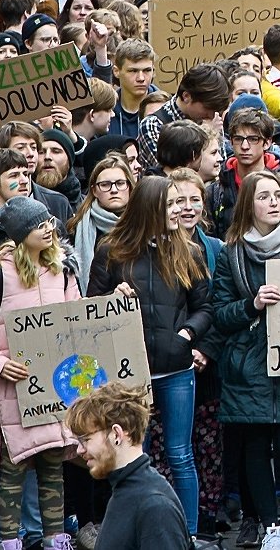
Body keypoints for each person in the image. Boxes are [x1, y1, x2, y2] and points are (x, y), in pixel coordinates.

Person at [86, 176, 212, 540]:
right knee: (132, 457)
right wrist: (113, 296)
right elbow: (89, 307)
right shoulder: (111, 250)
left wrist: (185, 336)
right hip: (128, 374)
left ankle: (185, 535)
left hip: (175, 370)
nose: (180, 211)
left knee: (180, 454)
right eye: (171, 204)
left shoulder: (190, 250)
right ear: (151, 207)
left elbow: (205, 307)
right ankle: (129, 534)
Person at [0, 196, 83, 550]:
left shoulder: (63, 272)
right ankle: (9, 541)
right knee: (12, 470)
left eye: (49, 222)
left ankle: (55, 538)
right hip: (13, 390)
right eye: (39, 224)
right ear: (20, 234)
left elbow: (77, 324)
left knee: (53, 469)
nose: (49, 228)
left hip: (55, 389)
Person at [212, 172, 280, 550]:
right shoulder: (231, 254)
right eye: (264, 197)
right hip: (249, 365)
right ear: (248, 205)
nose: (274, 202)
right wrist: (252, 304)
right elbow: (220, 314)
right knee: (255, 451)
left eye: (279, 196)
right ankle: (270, 526)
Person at [68, 385, 190, 550]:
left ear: (116, 434)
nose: (79, 450)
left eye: (86, 440)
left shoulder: (155, 506)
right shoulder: (125, 489)